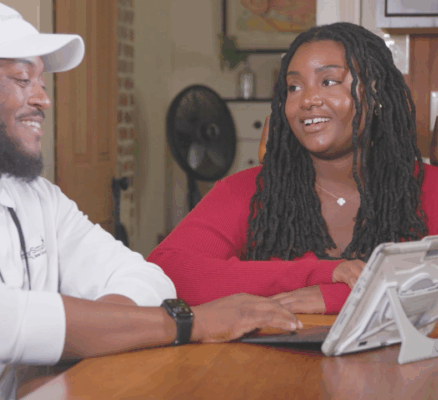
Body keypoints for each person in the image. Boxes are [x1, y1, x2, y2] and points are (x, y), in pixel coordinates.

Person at [0, 1, 303, 399]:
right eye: (22, 79)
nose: (43, 99)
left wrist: (103, 330)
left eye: (42, 81)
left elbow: (149, 278)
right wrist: (191, 323)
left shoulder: (37, 196)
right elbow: (3, 323)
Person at [148, 22, 438, 314]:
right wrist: (319, 274)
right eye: (294, 87)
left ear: (375, 94)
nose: (307, 100)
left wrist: (335, 297)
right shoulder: (250, 190)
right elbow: (167, 271)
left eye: (329, 82)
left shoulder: (429, 188)